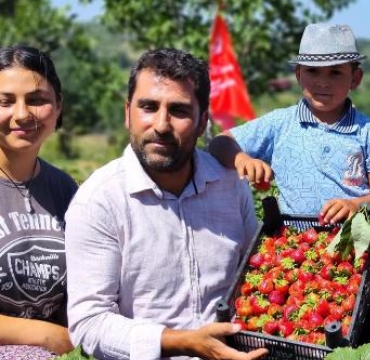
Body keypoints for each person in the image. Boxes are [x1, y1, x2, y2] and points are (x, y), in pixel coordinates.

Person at [64, 48, 268, 360]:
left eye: (179, 110)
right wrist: (182, 341)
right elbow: (89, 324)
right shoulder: (99, 201)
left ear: (202, 124)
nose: (161, 124)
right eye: (148, 107)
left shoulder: (230, 186)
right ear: (127, 113)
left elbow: (254, 279)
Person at [208, 23, 370, 225]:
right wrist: (242, 160)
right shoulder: (280, 123)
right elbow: (220, 142)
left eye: (335, 73)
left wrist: (356, 205)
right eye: (313, 71)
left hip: (351, 243)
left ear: (355, 78)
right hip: (292, 246)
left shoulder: (367, 131)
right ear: (298, 74)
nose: (323, 82)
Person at [0, 45, 78, 359]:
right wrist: (48, 335)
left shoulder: (65, 188)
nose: (22, 114)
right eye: (5, 101)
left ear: (58, 107)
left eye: (37, 100)